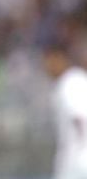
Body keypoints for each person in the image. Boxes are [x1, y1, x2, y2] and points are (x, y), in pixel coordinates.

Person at [42, 40, 87, 179]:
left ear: (58, 58)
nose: (46, 66)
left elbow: (81, 118)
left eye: (48, 60)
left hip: (76, 165)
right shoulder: (78, 78)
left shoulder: (69, 83)